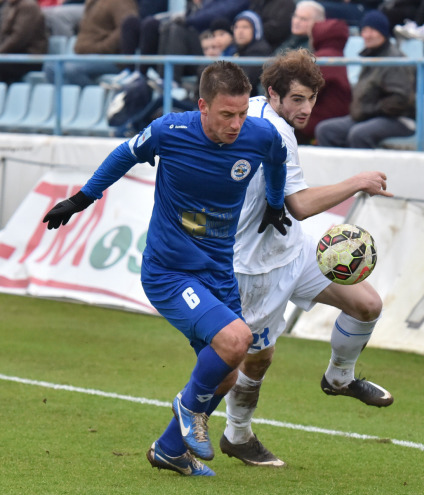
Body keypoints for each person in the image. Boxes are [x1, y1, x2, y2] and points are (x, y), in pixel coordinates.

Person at [41, 61, 291, 475]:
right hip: (170, 272)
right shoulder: (170, 132)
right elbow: (125, 154)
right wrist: (82, 198)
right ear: (202, 106)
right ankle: (187, 406)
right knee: (236, 340)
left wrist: (276, 200)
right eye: (227, 114)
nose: (236, 124)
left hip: (217, 272)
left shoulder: (260, 136)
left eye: (243, 113)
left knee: (227, 373)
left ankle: (170, 449)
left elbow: (277, 159)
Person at [220, 48, 394, 467]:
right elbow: (298, 204)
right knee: (258, 360)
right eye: (297, 99)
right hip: (255, 264)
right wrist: (357, 182)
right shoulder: (273, 131)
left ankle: (339, 378)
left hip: (291, 247)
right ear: (273, 94)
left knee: (367, 304)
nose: (306, 108)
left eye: (312, 99)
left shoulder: (260, 110)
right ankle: (236, 434)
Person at [315, 11, 415, 149]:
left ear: (383, 32)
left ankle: (366, 170)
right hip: (368, 116)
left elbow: (400, 100)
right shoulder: (370, 57)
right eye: (364, 30)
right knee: (326, 130)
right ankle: (339, 170)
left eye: (373, 30)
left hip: (397, 119)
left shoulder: (395, 60)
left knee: (360, 134)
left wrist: (368, 110)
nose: (367, 35)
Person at [44, 0, 138, 86]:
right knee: (51, 67)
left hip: (110, 58)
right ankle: (71, 101)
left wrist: (103, 47)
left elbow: (128, 28)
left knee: (71, 70)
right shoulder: (92, 2)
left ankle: (95, 97)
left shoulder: (121, 2)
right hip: (86, 56)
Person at [296, 18, 352, 143]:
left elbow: (305, 92)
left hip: (320, 118)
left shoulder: (322, 60)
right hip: (339, 115)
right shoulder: (338, 57)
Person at [0, 0, 48, 84]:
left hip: (29, 58)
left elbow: (19, 38)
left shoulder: (29, 6)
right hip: (11, 56)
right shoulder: (9, 6)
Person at [231, 10, 273, 94]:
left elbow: (244, 80)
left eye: (245, 27)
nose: (240, 31)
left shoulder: (260, 51)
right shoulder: (236, 50)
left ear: (256, 29)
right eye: (236, 27)